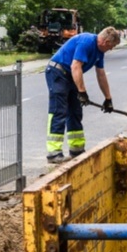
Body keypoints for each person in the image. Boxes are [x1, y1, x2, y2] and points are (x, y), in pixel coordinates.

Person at [45, 26, 121, 163]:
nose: (111, 49)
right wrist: (82, 92)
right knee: (59, 111)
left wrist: (108, 98)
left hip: (70, 75)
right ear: (105, 42)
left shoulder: (100, 52)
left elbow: (101, 74)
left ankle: (77, 150)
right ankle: (54, 153)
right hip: (58, 72)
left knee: (75, 111)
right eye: (112, 46)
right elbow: (76, 66)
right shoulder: (86, 41)